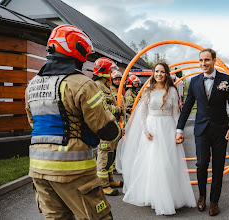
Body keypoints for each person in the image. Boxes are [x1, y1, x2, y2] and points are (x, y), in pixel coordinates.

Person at [25, 25, 121, 219]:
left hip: (38, 170)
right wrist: (118, 130)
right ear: (76, 50)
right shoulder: (82, 83)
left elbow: (32, 123)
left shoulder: (32, 84)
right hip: (74, 171)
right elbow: (105, 128)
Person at [116, 62, 196, 215]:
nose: (159, 74)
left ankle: (169, 197)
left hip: (167, 128)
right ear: (153, 73)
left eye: (162, 72)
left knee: (167, 163)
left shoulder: (172, 91)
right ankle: (154, 196)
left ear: (167, 74)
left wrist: (178, 131)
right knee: (151, 162)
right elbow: (143, 112)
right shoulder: (148, 90)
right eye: (157, 71)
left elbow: (175, 113)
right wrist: (145, 130)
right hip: (152, 128)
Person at [175, 48, 229, 216]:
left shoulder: (227, 80)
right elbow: (187, 107)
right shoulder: (194, 81)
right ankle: (202, 196)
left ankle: (214, 201)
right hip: (201, 130)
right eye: (201, 60)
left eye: (207, 60)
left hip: (220, 130)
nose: (203, 63)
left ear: (214, 60)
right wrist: (179, 129)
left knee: (218, 167)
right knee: (201, 164)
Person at [92, 57, 124, 196]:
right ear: (104, 71)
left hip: (111, 125)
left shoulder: (105, 85)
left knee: (111, 154)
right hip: (104, 126)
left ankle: (110, 179)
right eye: (110, 70)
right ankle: (103, 185)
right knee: (104, 155)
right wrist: (118, 110)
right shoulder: (98, 86)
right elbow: (102, 107)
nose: (112, 74)